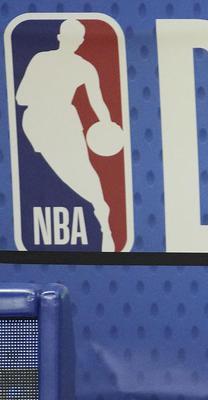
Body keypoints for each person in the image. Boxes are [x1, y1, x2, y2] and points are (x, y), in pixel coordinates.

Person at [16, 18, 116, 252]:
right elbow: (21, 98)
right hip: (44, 121)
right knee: (74, 171)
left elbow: (22, 97)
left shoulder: (64, 64)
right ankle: (101, 210)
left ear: (61, 37)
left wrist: (107, 125)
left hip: (54, 120)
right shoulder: (71, 65)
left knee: (79, 170)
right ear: (79, 41)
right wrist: (106, 123)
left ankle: (102, 216)